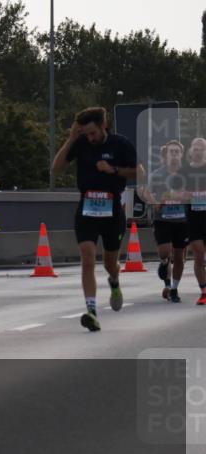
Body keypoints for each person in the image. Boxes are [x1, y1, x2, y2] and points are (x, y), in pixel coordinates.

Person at [52, 106, 140, 332]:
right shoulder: (80, 143)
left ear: (104, 126)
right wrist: (71, 139)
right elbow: (56, 169)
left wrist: (114, 170)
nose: (90, 138)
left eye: (93, 133)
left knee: (110, 263)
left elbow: (139, 172)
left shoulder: (120, 144)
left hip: (112, 210)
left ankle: (114, 281)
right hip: (87, 208)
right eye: (86, 133)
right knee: (88, 258)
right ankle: (91, 311)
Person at [139, 140, 189, 302]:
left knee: (179, 256)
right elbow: (147, 192)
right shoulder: (157, 175)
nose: (174, 154)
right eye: (171, 152)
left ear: (181, 155)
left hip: (182, 220)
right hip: (163, 219)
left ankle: (173, 288)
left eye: (177, 152)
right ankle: (164, 262)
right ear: (165, 155)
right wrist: (155, 203)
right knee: (165, 251)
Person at [182, 137, 206, 305]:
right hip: (193, 219)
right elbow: (177, 192)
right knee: (198, 255)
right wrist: (187, 195)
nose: (198, 151)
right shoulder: (184, 171)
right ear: (190, 151)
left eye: (201, 149)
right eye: (195, 149)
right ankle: (204, 291)